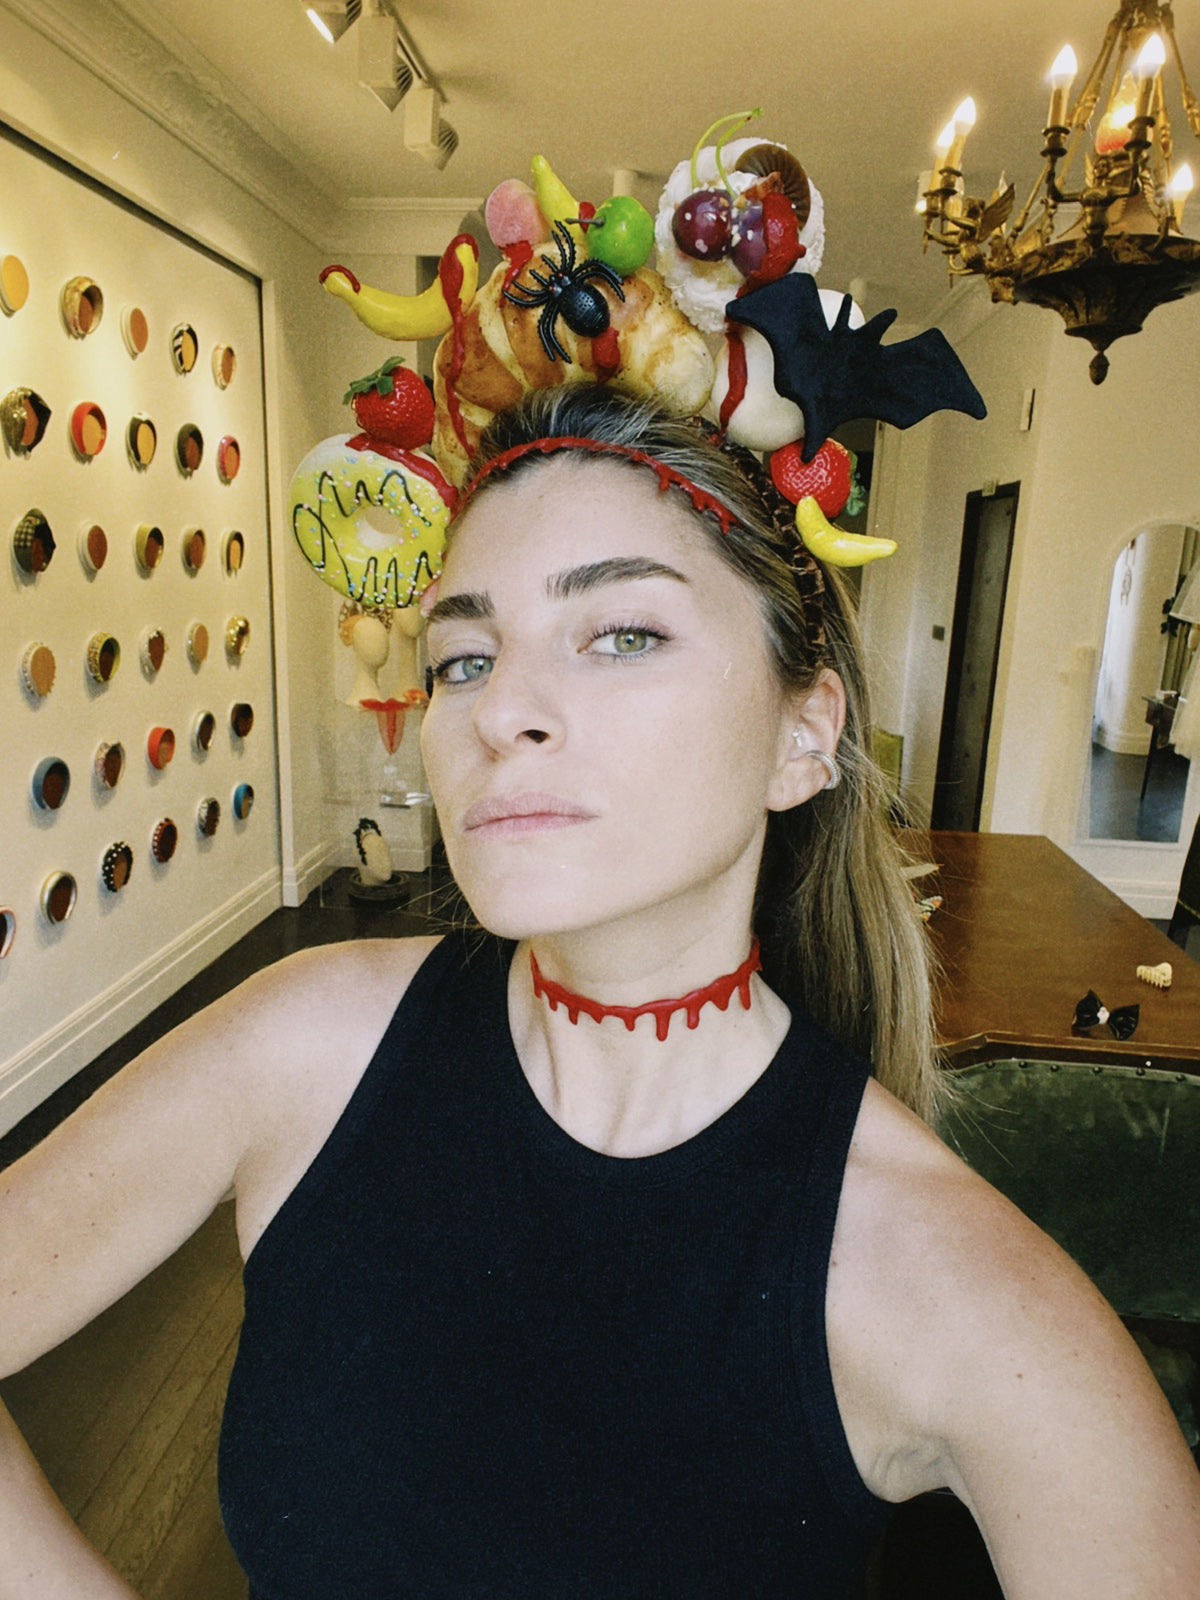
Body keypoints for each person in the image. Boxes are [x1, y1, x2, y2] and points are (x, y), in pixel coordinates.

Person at [2, 384, 1198, 1599]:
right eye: (464, 657)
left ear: (803, 733)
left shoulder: (958, 1286)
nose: (499, 710)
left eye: (622, 634)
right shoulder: (301, 1044)